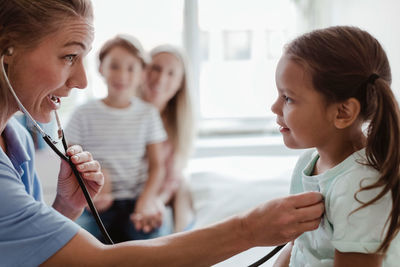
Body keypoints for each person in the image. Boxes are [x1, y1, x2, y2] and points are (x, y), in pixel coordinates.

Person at [0, 0, 324, 266]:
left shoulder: (17, 142)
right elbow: (95, 262)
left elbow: (25, 251)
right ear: (6, 48)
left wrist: (66, 207)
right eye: (69, 55)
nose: (83, 80)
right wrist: (249, 229)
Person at [271, 26, 400, 266]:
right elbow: (300, 244)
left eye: (287, 98)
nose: (274, 107)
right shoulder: (308, 163)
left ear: (343, 112)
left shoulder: (361, 187)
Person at [65, 35, 168, 242]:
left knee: (153, 247)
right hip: (95, 203)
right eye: (114, 66)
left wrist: (146, 201)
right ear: (101, 68)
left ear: (141, 74)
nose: (122, 75)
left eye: (131, 68)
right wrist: (90, 190)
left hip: (135, 203)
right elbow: (70, 161)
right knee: (71, 244)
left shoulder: (148, 114)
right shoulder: (83, 114)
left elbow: (158, 166)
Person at [139, 44, 195, 233]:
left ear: (180, 84)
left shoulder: (177, 126)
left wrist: (155, 202)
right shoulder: (121, 113)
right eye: (156, 68)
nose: (161, 78)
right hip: (120, 197)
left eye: (171, 73)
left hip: (154, 202)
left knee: (183, 185)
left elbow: (172, 179)